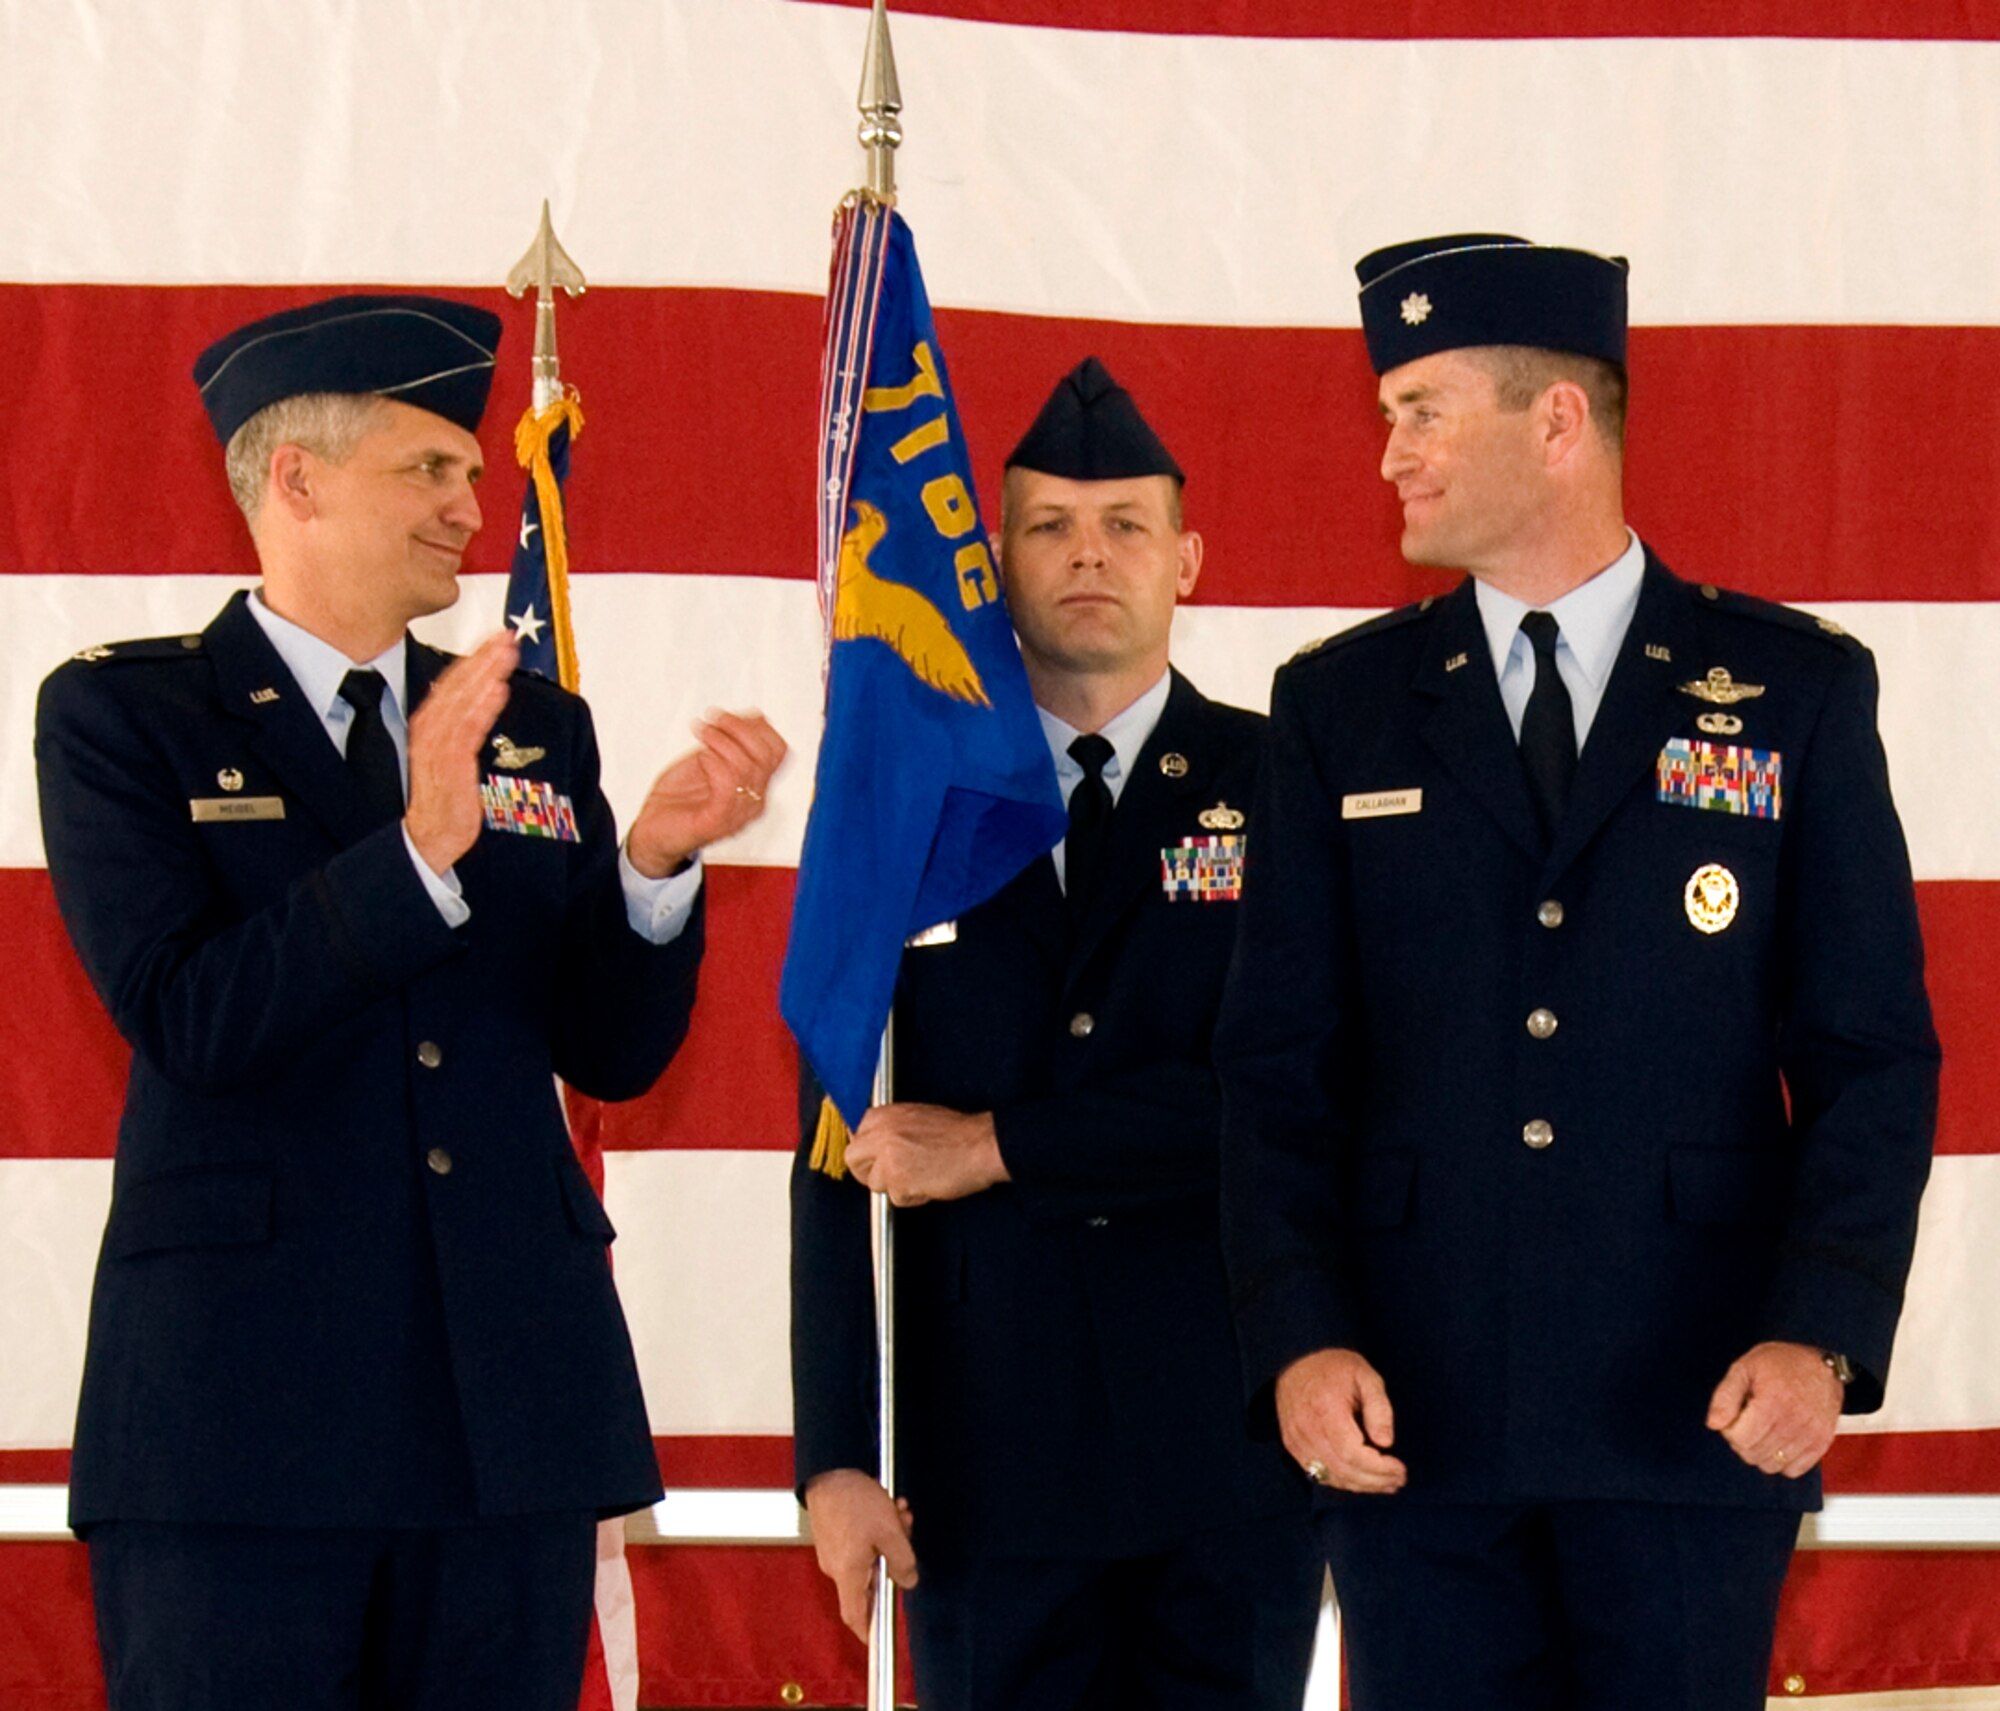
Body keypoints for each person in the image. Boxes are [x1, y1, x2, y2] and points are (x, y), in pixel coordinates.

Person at [1215, 234, 1940, 1711]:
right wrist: (1300, 1332)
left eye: (1422, 409)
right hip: (1415, 1416)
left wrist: (1824, 1329)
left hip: (1694, 1407)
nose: (1389, 457)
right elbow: (1277, 1067)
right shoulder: (1339, 708)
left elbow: (1872, 1048)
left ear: (1556, 422)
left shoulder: (1793, 689)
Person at [33, 293, 786, 1711]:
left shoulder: (532, 723)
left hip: (505, 1415)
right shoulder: (126, 719)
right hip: (241, 1427)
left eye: (468, 468)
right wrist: (412, 856)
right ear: (298, 481)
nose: (469, 498)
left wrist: (653, 868)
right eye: (427, 467)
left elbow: (607, 1052)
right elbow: (190, 1015)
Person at [791, 358, 1322, 1710]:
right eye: (1047, 527)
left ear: (1187, 558)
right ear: (993, 565)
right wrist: (836, 1455)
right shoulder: (910, 803)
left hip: (1229, 1448)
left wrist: (1002, 1146)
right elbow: (833, 1143)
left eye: (1126, 525)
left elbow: (1293, 1099)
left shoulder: (1288, 790)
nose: (1090, 555)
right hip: (981, 1463)